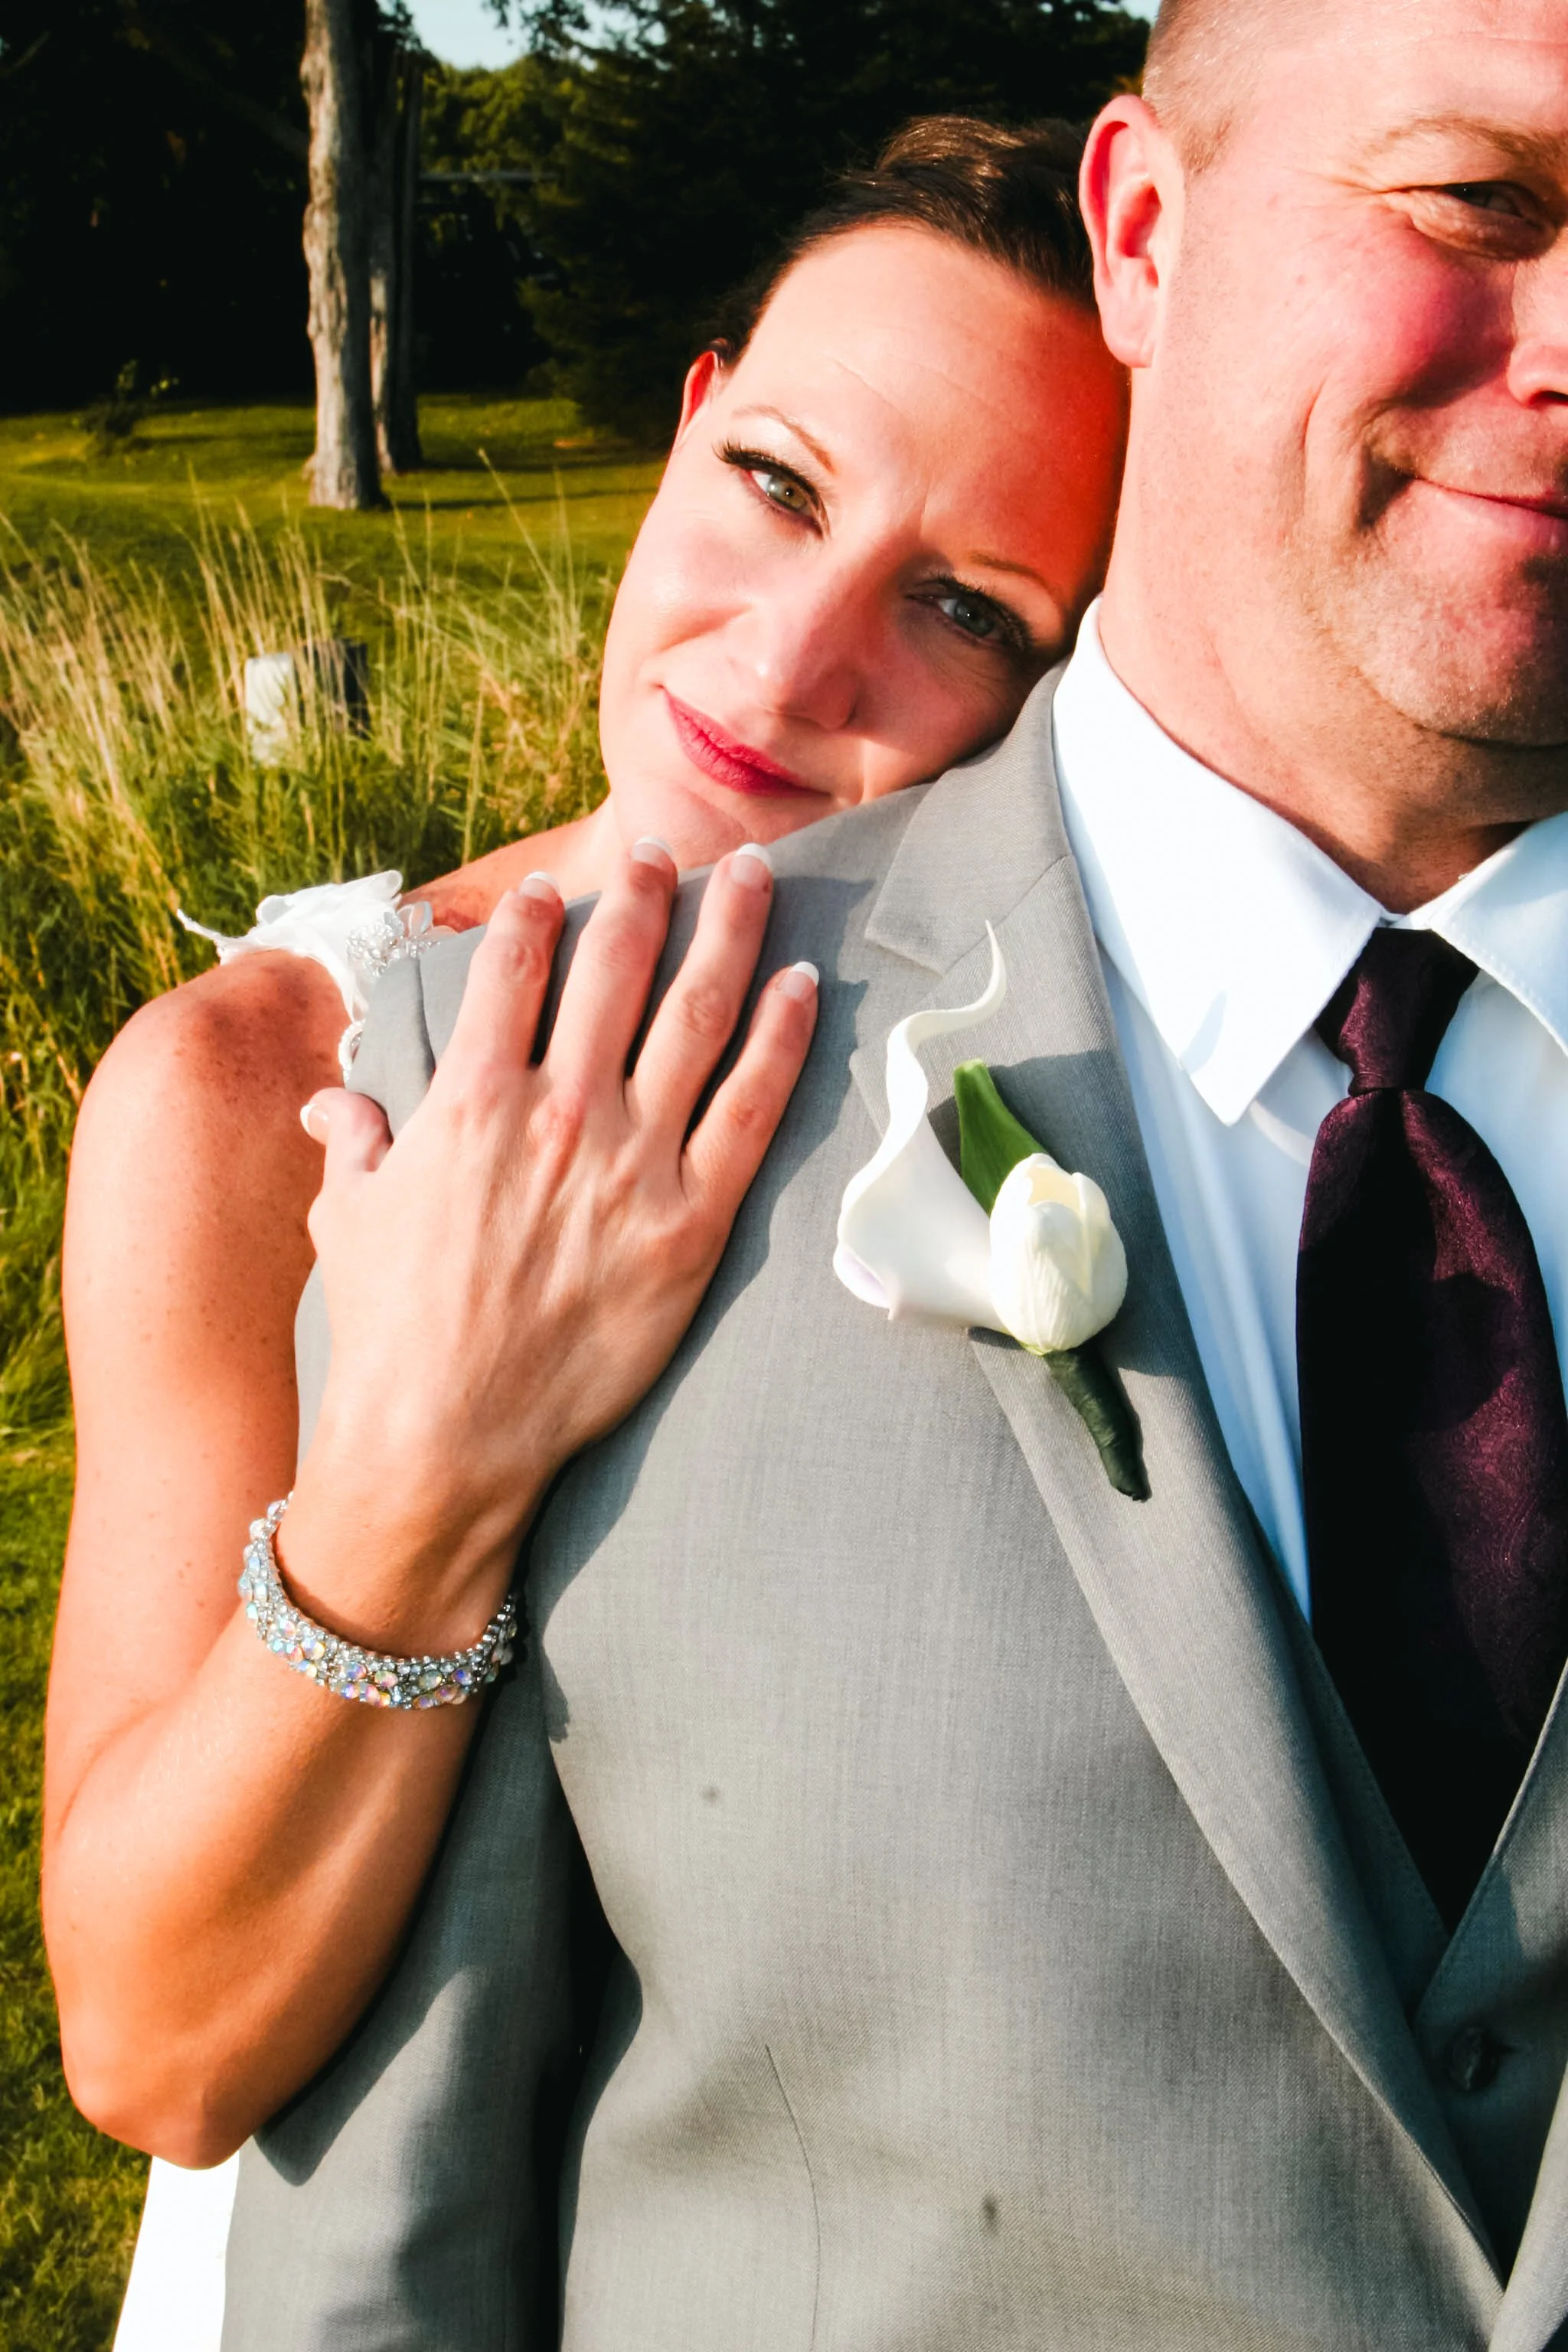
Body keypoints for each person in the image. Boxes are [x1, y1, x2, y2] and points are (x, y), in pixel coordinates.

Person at [199, 0, 1568, 2344]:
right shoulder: (525, 1085)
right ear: (1146, 229)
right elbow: (370, 2236)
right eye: (1484, 200)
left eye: (961, 604)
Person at [41, 119, 1129, 2352]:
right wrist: (425, 1451)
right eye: (780, 480)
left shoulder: (1078, 1109)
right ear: (688, 413)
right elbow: (153, 2050)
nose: (795, 652)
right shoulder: (249, 1086)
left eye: (963, 607)